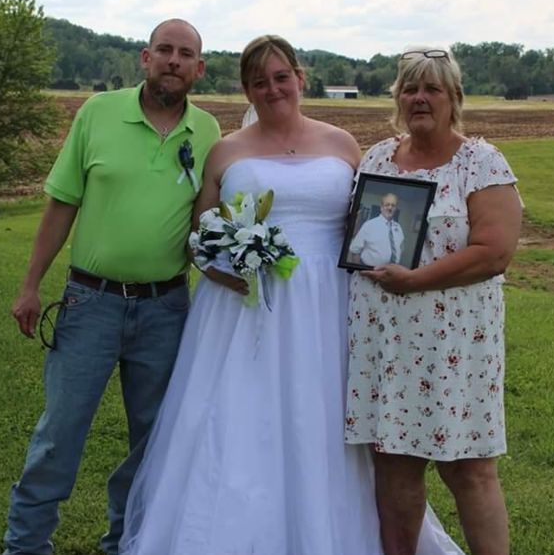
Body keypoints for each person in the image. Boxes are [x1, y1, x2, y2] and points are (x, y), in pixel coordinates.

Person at [119, 34, 464, 555]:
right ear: (247, 90)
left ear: (300, 79)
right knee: (238, 417)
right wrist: (219, 266)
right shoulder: (226, 151)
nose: (273, 89)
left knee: (322, 416)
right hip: (241, 308)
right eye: (259, 82)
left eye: (282, 77)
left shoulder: (342, 144)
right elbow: (200, 233)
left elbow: (370, 221)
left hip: (328, 304)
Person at [3, 19, 220, 555]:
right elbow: (61, 204)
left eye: (184, 53)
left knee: (152, 440)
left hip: (166, 309)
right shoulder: (98, 112)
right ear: (145, 57)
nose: (173, 60)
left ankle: (128, 542)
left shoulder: (209, 133)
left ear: (199, 68)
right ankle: (25, 546)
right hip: (90, 303)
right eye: (164, 50)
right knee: (59, 434)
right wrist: (30, 285)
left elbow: (208, 224)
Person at [344, 46, 522, 555]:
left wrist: (416, 280)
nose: (419, 98)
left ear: (454, 98)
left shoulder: (480, 162)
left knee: (468, 469)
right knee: (394, 464)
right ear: (397, 97)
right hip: (387, 344)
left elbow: (494, 252)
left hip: (455, 347)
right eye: (410, 88)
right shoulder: (377, 158)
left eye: (432, 89)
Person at [349, 192, 405, 266]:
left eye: (393, 205)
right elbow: (355, 250)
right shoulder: (369, 225)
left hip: (392, 272)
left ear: (396, 208)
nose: (390, 208)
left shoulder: (398, 227)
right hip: (370, 271)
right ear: (381, 207)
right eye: (387, 205)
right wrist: (361, 270)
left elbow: (400, 249)